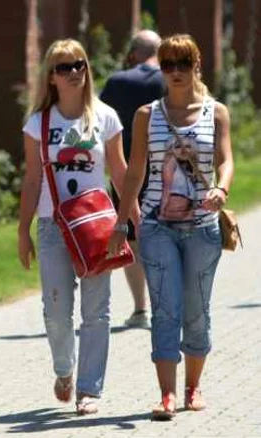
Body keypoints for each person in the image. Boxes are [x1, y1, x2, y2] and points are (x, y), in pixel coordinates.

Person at [108, 34, 233, 420]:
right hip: (157, 227)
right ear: (160, 70)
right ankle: (166, 394)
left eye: (183, 64)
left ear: (197, 66)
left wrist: (220, 188)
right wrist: (121, 220)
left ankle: (192, 389)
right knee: (165, 309)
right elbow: (135, 170)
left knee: (196, 311)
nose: (175, 72)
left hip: (203, 227)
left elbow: (226, 161)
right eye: (168, 65)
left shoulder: (217, 112)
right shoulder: (147, 114)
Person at [17, 39, 133, 415]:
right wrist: (23, 232)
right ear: (51, 77)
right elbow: (32, 180)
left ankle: (89, 390)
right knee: (55, 310)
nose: (74, 72)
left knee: (97, 311)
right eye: (64, 67)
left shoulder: (106, 117)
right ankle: (64, 370)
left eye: (79, 64)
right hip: (53, 226)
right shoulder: (38, 123)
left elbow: (120, 172)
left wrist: (129, 217)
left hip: (98, 226)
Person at [100, 30, 166, 328]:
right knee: (166, 235)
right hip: (167, 170)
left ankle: (140, 309)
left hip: (126, 172)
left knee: (132, 237)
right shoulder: (171, 78)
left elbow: (100, 120)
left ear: (133, 53)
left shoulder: (118, 81)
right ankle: (165, 303)